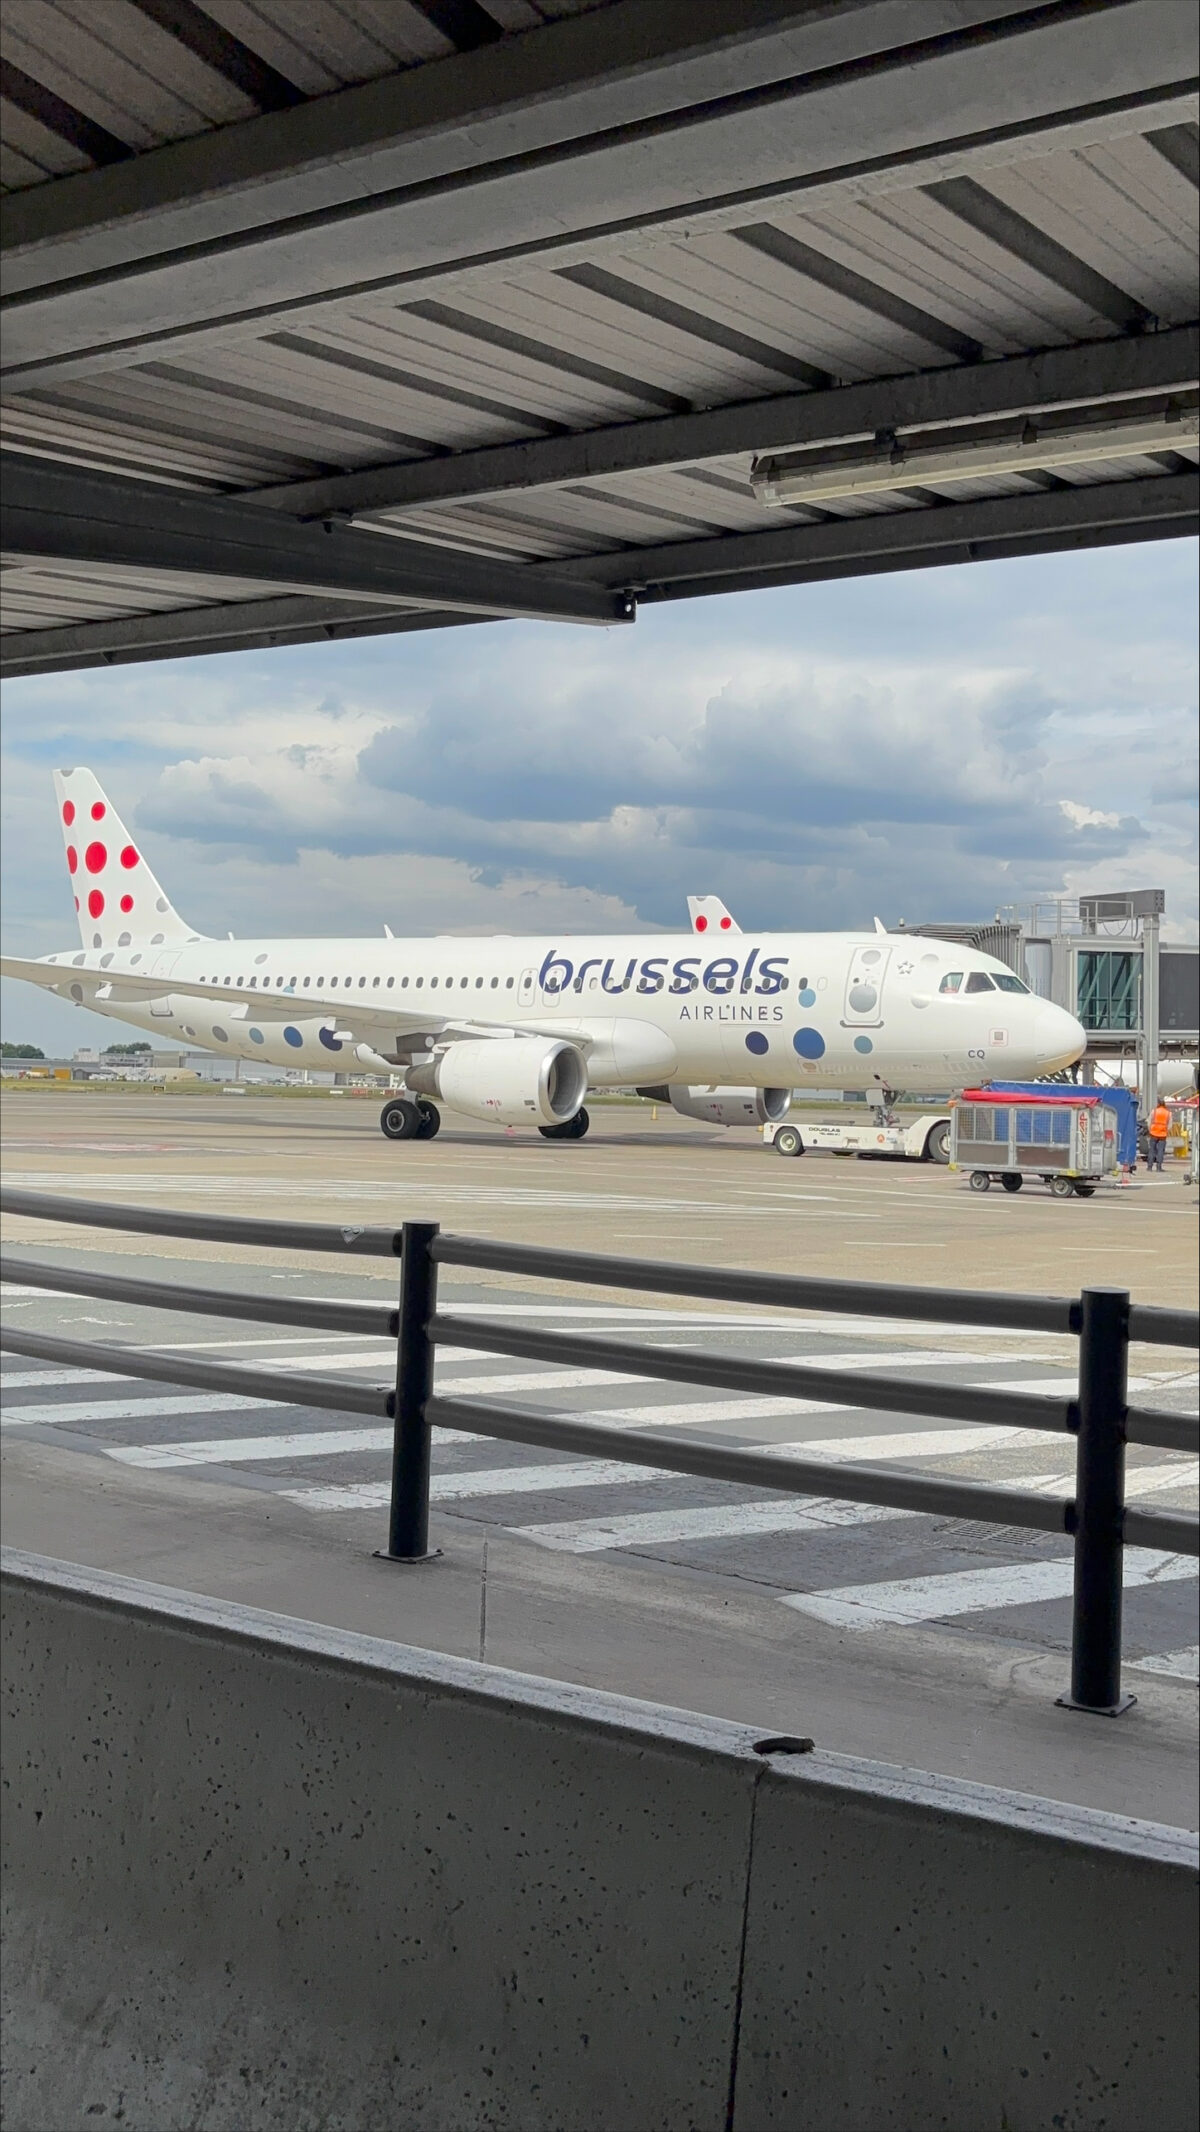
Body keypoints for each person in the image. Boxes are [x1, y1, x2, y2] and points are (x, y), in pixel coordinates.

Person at [1145, 1098, 1171, 1171]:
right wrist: (1165, 1131)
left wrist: (1150, 1130)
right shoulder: (1168, 1113)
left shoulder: (1154, 1111)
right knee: (1160, 1151)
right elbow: (1170, 1125)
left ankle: (1149, 1167)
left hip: (1154, 1133)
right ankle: (1159, 1167)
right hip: (1163, 1135)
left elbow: (1149, 1122)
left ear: (1158, 1104)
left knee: (1152, 1150)